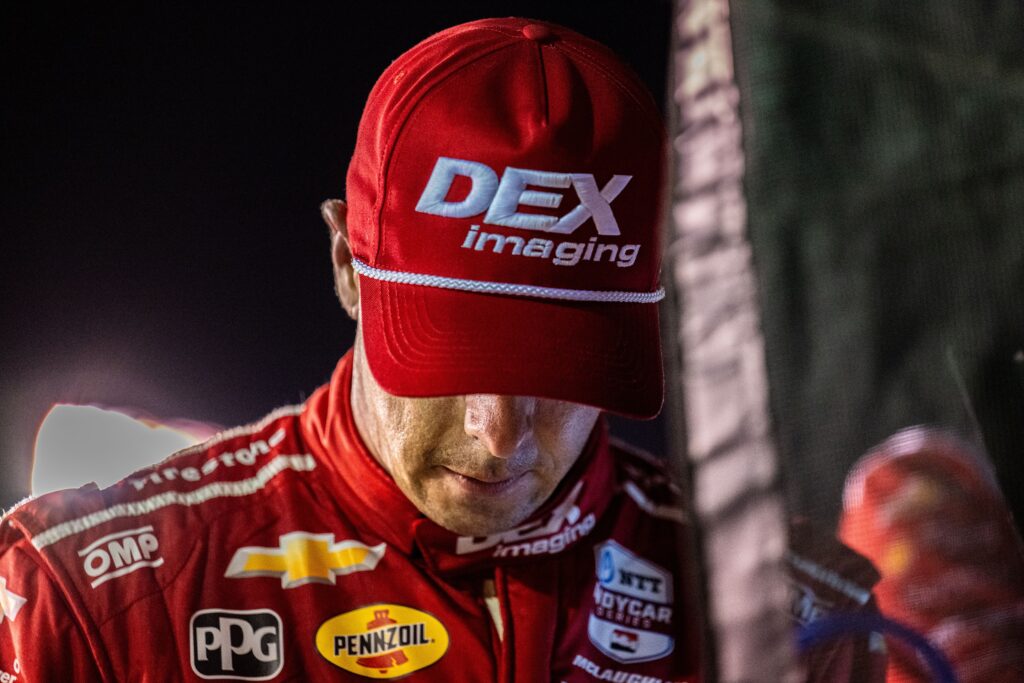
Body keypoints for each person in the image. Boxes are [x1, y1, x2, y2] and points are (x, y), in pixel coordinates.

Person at [0, 17, 879, 682]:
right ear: (348, 266)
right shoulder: (81, 599)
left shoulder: (795, 619)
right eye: (455, 358)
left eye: (557, 369)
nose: (502, 433)